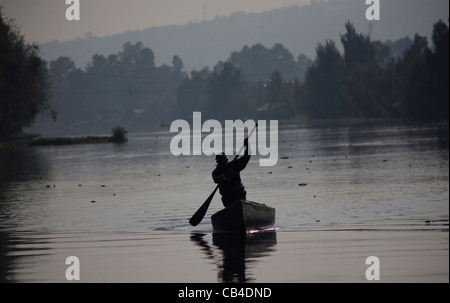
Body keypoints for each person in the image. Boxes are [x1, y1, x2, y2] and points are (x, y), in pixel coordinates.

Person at [212, 138, 250, 208]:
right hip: (227, 198)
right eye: (220, 161)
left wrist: (247, 145)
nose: (223, 162)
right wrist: (222, 177)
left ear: (226, 159)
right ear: (217, 162)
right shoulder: (216, 172)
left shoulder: (234, 165)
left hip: (239, 195)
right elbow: (216, 179)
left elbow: (246, 157)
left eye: (223, 160)